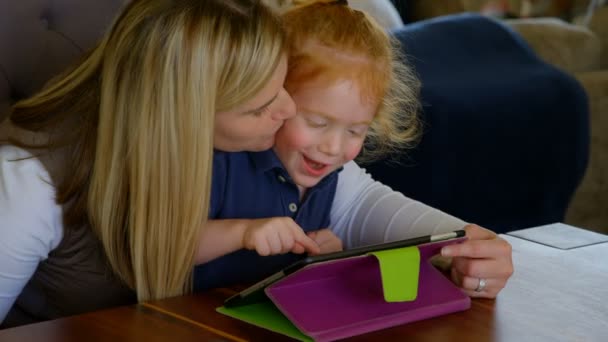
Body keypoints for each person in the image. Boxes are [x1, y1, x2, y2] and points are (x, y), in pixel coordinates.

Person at [0, 0, 300, 327]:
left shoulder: (236, 139)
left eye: (282, 84)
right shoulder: (29, 183)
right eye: (258, 110)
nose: (290, 109)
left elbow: (354, 199)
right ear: (181, 119)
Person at [193, 0, 513, 299]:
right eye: (317, 122)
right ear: (274, 94)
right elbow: (156, 245)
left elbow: (376, 210)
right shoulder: (223, 159)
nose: (333, 148)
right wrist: (242, 232)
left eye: (355, 130)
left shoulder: (330, 177)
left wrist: (471, 245)